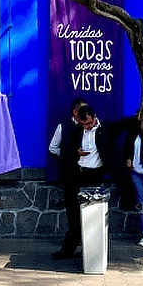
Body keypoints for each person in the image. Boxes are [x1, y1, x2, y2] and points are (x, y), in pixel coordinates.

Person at [52, 104, 108, 259]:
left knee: (94, 214)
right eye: (83, 124)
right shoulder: (74, 130)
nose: (86, 126)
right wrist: (75, 152)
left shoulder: (103, 129)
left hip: (95, 175)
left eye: (89, 123)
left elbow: (122, 125)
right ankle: (69, 248)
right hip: (77, 175)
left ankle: (92, 249)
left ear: (94, 117)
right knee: (75, 214)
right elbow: (62, 150)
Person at [48, 98, 87, 259]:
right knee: (72, 212)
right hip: (70, 177)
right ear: (75, 112)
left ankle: (84, 245)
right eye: (82, 110)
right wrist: (69, 157)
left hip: (87, 176)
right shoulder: (63, 127)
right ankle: (70, 246)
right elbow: (53, 148)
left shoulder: (90, 127)